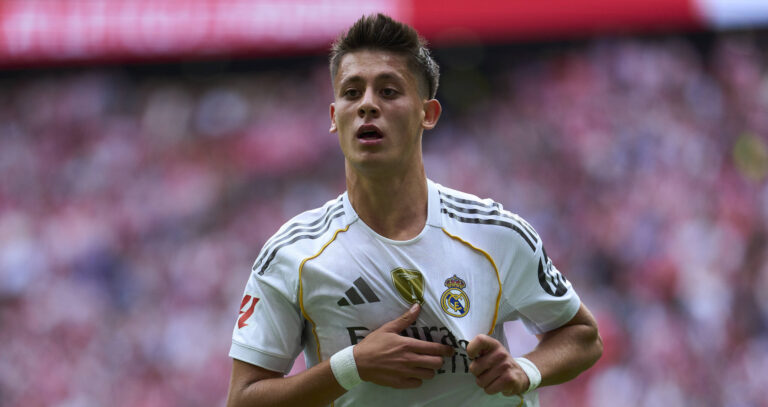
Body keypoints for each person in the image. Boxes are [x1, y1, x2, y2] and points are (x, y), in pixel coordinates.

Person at [226, 13, 602, 407]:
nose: (368, 104)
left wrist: (524, 371)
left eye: (388, 91)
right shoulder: (292, 254)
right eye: (352, 93)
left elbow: (582, 335)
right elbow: (244, 399)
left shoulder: (496, 232)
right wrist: (352, 366)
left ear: (428, 114)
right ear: (335, 118)